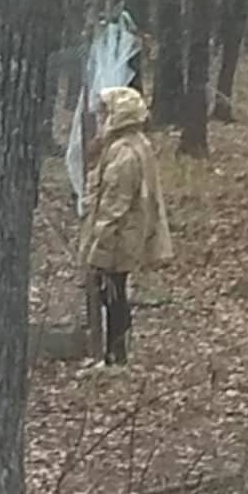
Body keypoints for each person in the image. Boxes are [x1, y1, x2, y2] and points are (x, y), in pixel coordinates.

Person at [79, 86, 172, 366]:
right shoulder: (129, 145)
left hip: (119, 238)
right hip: (123, 234)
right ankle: (115, 355)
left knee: (113, 297)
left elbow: (113, 206)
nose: (101, 118)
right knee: (113, 295)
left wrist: (98, 247)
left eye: (105, 112)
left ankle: (116, 357)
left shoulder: (125, 154)